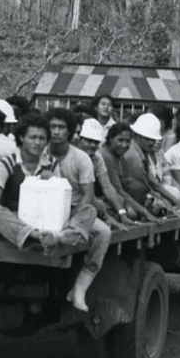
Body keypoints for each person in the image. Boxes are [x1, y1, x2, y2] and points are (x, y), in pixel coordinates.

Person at [46, 108, 112, 312]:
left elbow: (88, 194)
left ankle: (79, 288)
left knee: (103, 232)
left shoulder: (83, 158)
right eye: (53, 127)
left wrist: (73, 218)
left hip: (75, 209)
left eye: (96, 142)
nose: (92, 145)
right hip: (45, 205)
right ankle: (64, 235)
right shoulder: (41, 150)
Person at [0, 114, 59, 255]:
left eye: (42, 138)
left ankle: (53, 237)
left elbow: (58, 203)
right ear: (22, 138)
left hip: (43, 218)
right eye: (33, 137)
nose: (37, 143)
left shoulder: (51, 163)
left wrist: (53, 181)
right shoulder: (6, 164)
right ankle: (35, 236)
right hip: (15, 218)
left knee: (87, 210)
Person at [120, 113, 180, 217]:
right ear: (137, 135)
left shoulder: (142, 151)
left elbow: (152, 183)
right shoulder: (133, 155)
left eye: (153, 140)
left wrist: (174, 200)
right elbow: (147, 185)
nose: (151, 143)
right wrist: (170, 202)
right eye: (147, 139)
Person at [99, 122, 161, 223]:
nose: (124, 145)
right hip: (105, 199)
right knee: (131, 214)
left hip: (117, 197)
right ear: (110, 139)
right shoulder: (106, 156)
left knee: (138, 187)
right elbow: (117, 190)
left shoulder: (119, 155)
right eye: (120, 140)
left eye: (127, 141)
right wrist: (145, 213)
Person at [77, 118, 134, 229]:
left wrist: (122, 214)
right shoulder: (76, 158)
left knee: (121, 206)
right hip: (79, 202)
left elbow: (108, 188)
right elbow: (87, 195)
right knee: (101, 207)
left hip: (94, 201)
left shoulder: (97, 158)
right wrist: (112, 221)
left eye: (95, 142)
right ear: (80, 140)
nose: (93, 145)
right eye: (88, 141)